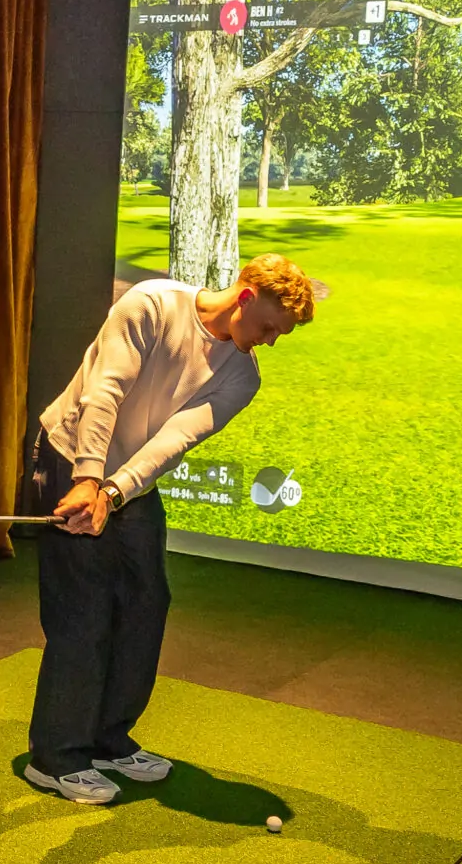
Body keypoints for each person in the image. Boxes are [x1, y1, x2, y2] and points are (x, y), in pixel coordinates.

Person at [24, 254, 327, 805]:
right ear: (245, 297)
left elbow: (174, 441)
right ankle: (56, 756)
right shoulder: (152, 305)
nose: (269, 341)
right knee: (83, 607)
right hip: (70, 454)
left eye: (278, 335)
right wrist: (88, 478)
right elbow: (103, 392)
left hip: (128, 478)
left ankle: (108, 739)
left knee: (147, 601)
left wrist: (115, 491)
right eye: (268, 327)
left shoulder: (243, 377)